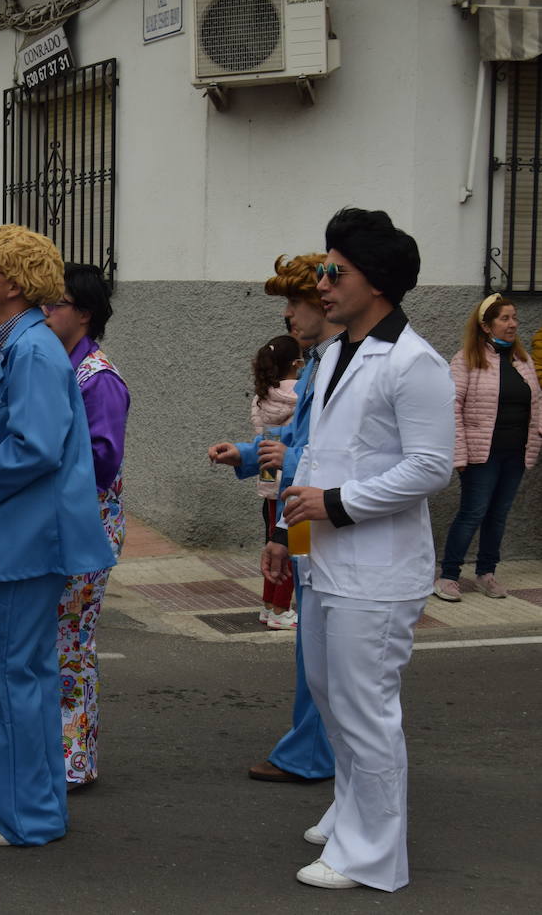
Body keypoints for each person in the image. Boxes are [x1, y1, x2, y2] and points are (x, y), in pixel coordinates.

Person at [261, 208, 454, 891]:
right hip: (325, 562)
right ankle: (351, 809)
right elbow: (316, 461)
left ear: (374, 282)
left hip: (377, 571)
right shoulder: (336, 353)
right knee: (329, 694)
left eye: (333, 269)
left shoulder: (414, 362)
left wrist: (337, 506)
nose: (321, 281)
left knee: (365, 707)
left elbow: (432, 466)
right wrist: (290, 538)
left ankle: (370, 856)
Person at [0, 225, 115, 846]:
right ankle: (32, 808)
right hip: (22, 531)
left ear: (12, 283)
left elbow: (35, 448)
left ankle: (21, 816)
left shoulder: (32, 350)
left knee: (11, 673)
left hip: (27, 538)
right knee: (27, 674)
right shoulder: (29, 344)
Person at [207, 253, 338, 784]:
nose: (288, 315)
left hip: (325, 517)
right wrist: (247, 452)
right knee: (314, 643)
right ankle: (314, 748)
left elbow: (314, 453)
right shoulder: (320, 363)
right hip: (309, 517)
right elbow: (299, 441)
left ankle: (314, 753)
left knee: (323, 649)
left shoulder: (333, 364)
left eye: (294, 302)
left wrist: (283, 531)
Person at [42, 262, 130, 788]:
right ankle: (59, 748)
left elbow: (101, 462)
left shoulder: (99, 379)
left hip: (86, 525)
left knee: (71, 642)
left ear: (85, 313)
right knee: (54, 640)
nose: (47, 312)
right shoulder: (58, 365)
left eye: (57, 304)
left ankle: (76, 757)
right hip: (63, 521)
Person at [433, 294, 541, 601]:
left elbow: (536, 401)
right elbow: (451, 407)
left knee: (499, 515)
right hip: (482, 454)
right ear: (485, 325)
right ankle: (449, 576)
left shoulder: (522, 359)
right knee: (473, 512)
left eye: (514, 318)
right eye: (505, 318)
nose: (513, 324)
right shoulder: (465, 359)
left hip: (516, 453)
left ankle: (486, 573)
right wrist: (460, 454)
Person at [249, 334, 302, 629]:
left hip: (268, 481)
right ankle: (282, 609)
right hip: (293, 481)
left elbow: (261, 438)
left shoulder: (261, 396)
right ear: (297, 363)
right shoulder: (302, 396)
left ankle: (269, 606)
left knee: (272, 544)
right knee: (295, 545)